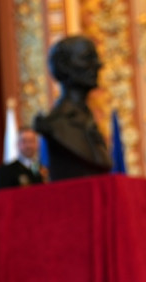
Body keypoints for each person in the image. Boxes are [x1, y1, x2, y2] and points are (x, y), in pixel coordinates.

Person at [33, 35, 112, 181]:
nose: (98, 64)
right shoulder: (55, 124)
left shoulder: (88, 119)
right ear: (64, 65)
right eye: (87, 58)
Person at [0, 127, 45, 191]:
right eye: (24, 141)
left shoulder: (42, 168)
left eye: (31, 141)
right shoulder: (5, 171)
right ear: (17, 144)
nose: (28, 145)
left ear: (38, 144)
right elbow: (2, 195)